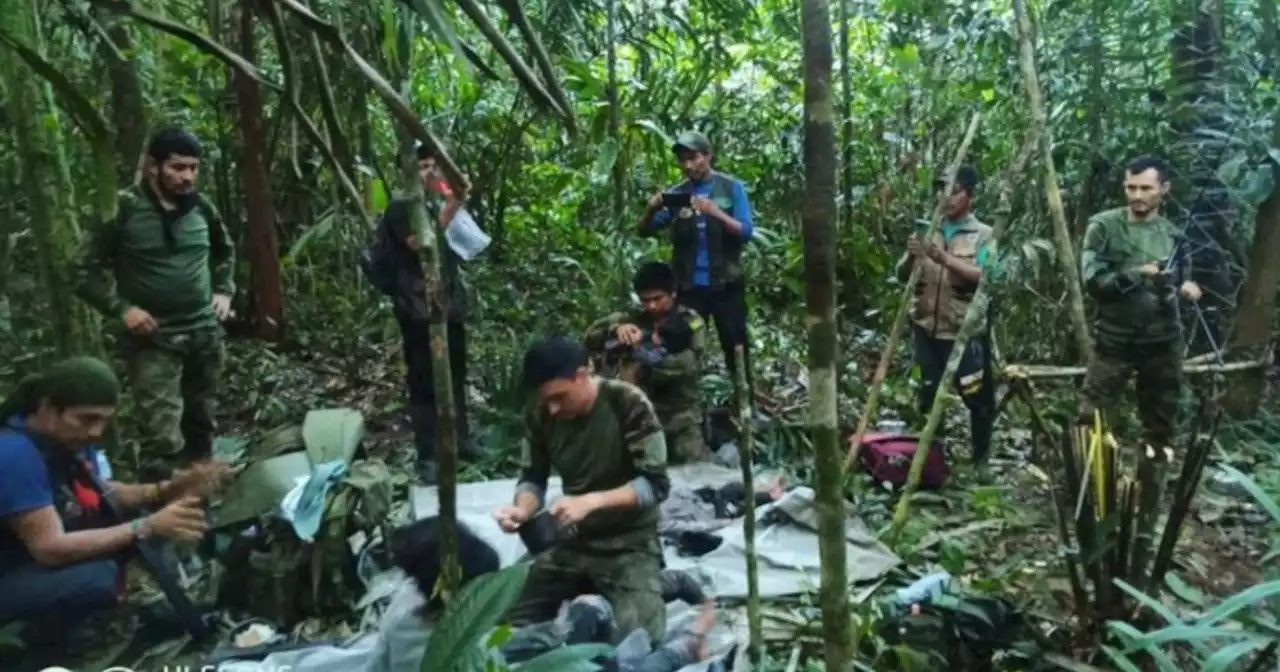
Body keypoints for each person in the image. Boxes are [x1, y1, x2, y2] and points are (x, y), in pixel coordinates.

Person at [0, 357, 229, 654]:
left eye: (104, 420)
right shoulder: (14, 454)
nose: (96, 431)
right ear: (47, 408)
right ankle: (47, 647)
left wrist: (165, 489)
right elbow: (49, 548)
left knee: (142, 520)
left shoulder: (66, 439)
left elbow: (100, 492)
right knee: (98, 577)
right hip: (14, 570)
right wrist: (144, 527)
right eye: (87, 419)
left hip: (32, 555)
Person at [71, 128, 235, 464]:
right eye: (177, 168)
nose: (187, 176)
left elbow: (225, 251)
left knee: (202, 424)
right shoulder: (123, 209)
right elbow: (80, 271)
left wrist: (224, 289)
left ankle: (200, 502)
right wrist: (122, 309)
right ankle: (162, 507)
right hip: (154, 338)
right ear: (152, 167)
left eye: (193, 168)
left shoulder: (202, 208)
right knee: (162, 437)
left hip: (204, 334)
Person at [493, 337, 670, 644]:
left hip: (629, 544)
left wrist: (592, 502)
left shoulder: (627, 403)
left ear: (581, 374)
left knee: (640, 641)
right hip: (572, 542)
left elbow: (655, 485)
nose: (553, 408)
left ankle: (667, 583)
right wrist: (522, 509)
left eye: (559, 397)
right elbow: (533, 477)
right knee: (498, 620)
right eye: (546, 399)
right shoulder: (542, 412)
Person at [1078, 155, 1201, 449]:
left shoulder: (1174, 235)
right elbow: (1093, 281)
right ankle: (1086, 486)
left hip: (1162, 340)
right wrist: (1136, 273)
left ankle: (1151, 487)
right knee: (1091, 420)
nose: (1137, 196)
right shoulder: (1104, 226)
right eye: (1131, 188)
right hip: (1114, 339)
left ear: (1164, 189)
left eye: (1146, 188)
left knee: (1161, 426)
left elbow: (1181, 281)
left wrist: (1188, 289)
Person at [378, 143, 480, 484]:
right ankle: (428, 456)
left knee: (455, 373)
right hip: (418, 310)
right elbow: (422, 242)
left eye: (433, 166)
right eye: (421, 166)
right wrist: (453, 204)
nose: (429, 173)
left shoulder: (436, 201)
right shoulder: (402, 208)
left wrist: (454, 201)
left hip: (447, 304)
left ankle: (460, 440)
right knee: (424, 382)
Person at [892, 166, 998, 465]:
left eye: (953, 190)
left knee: (976, 398)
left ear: (970, 196)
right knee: (928, 396)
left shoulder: (984, 235)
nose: (945, 197)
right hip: (927, 329)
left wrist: (942, 258)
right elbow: (901, 275)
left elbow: (986, 278)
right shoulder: (929, 230)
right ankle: (933, 461)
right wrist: (913, 254)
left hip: (963, 332)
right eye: (941, 189)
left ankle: (980, 460)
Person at [638, 131, 756, 397]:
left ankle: (745, 403)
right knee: (682, 345)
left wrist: (716, 213)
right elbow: (645, 230)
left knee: (736, 345)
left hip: (726, 286)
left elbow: (746, 231)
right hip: (690, 288)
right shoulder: (677, 194)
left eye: (693, 158)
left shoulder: (731, 188)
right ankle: (687, 404)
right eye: (683, 160)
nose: (688, 165)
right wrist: (652, 208)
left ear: (708, 156)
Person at [584, 261, 711, 464]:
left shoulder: (690, 322)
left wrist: (643, 360)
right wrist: (616, 329)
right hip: (639, 417)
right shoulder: (633, 317)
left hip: (679, 417)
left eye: (657, 299)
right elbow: (590, 337)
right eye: (645, 300)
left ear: (673, 294)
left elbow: (690, 364)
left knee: (694, 473)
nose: (651, 305)